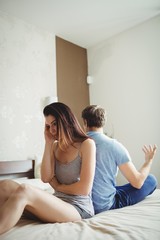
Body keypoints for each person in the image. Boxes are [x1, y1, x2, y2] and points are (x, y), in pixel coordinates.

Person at [0, 102, 96, 235]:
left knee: (25, 190)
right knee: (4, 185)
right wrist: (48, 143)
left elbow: (84, 189)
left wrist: (59, 187)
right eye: (48, 126)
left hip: (78, 208)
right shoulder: (55, 146)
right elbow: (46, 177)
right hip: (57, 202)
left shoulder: (87, 144)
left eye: (55, 123)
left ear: (65, 120)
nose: (52, 130)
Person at [82, 105, 157, 214]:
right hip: (105, 205)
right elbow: (137, 183)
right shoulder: (114, 145)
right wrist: (148, 161)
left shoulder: (77, 144)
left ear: (84, 122)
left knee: (115, 188)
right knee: (151, 180)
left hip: (83, 203)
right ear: (103, 122)